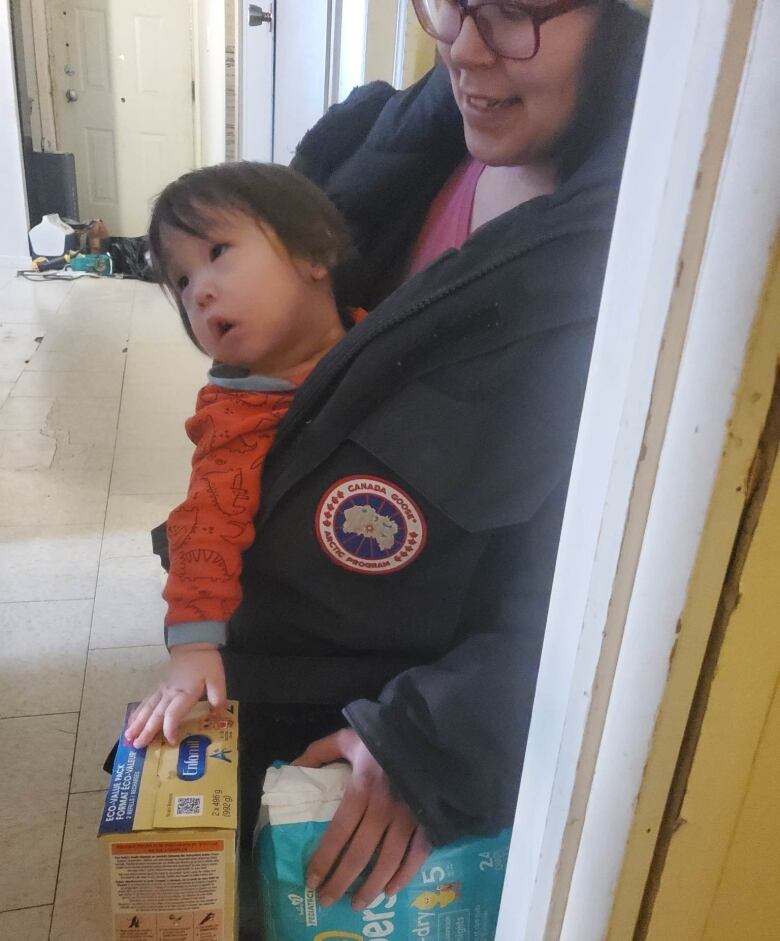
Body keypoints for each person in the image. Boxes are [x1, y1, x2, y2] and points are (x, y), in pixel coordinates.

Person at [144, 0, 650, 935]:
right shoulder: (406, 141)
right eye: (448, 2)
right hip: (273, 693)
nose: (463, 44)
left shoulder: (654, 251)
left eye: (513, 10)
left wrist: (435, 738)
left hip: (381, 736)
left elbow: (619, 573)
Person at [124, 162, 358, 743]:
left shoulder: (382, 342)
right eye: (180, 282)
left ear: (314, 253)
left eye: (219, 251)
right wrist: (196, 645)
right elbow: (205, 524)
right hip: (302, 643)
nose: (198, 291)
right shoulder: (238, 413)